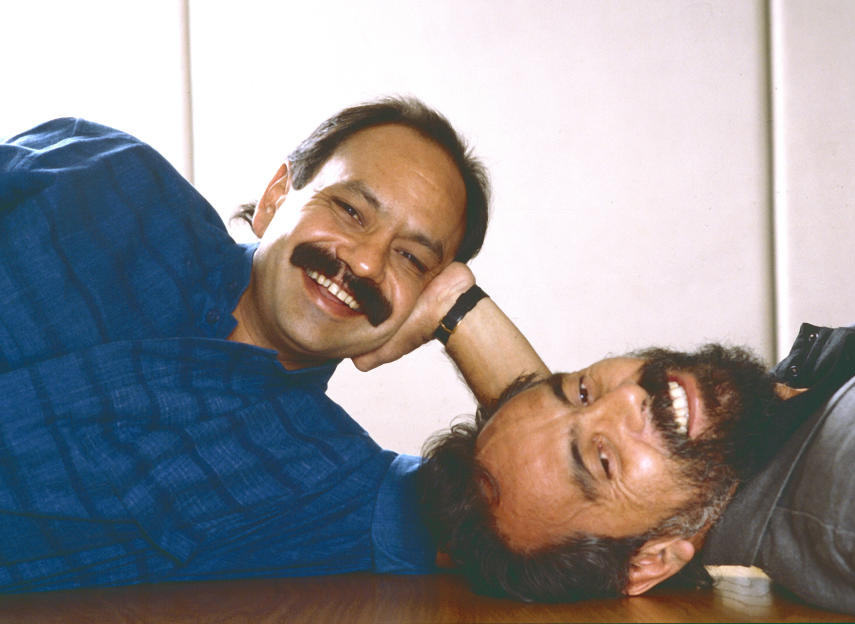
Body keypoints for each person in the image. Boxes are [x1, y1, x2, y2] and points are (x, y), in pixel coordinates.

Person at [0, 99, 547, 592]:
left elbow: (545, 510)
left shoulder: (324, 479)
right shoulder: (111, 179)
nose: (364, 262)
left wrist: (463, 313)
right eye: (350, 210)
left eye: (411, 258)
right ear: (275, 197)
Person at [419, 300, 855, 619]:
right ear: (651, 560)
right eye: (603, 461)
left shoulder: (780, 415)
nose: (626, 398)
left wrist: (456, 305)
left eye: (581, 390)